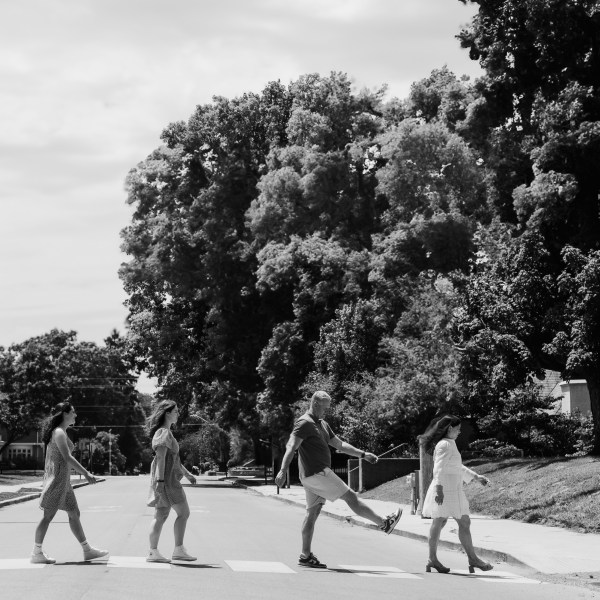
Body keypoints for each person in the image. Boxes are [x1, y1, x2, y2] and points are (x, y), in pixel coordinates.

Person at [275, 391, 403, 569]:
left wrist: (363, 454)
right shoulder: (304, 423)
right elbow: (291, 446)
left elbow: (340, 445)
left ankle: (305, 555)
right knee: (350, 496)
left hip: (313, 476)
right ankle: (384, 524)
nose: (326, 411)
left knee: (312, 514)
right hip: (317, 473)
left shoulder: (322, 424)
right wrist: (283, 470)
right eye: (325, 408)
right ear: (315, 404)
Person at [31, 402, 109, 564]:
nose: (75, 415)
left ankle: (87, 550)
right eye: (73, 412)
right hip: (57, 481)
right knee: (48, 516)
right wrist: (86, 473)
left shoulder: (62, 432)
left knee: (74, 513)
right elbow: (67, 457)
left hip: (64, 482)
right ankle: (36, 552)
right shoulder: (59, 432)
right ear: (64, 413)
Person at [419, 415, 492, 574]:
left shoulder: (449, 443)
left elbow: (456, 466)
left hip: (452, 489)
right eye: (458, 429)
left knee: (446, 522)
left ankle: (436, 559)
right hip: (445, 490)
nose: (459, 432)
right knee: (445, 522)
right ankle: (466, 559)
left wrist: (475, 476)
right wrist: (439, 490)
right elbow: (438, 468)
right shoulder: (445, 444)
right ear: (450, 428)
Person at [146, 400, 197, 563]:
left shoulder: (166, 432)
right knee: (183, 513)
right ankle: (177, 550)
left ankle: (155, 552)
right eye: (176, 411)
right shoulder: (163, 432)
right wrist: (160, 481)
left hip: (166, 480)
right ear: (167, 413)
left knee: (161, 515)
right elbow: (161, 457)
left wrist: (187, 474)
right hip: (168, 482)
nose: (178, 414)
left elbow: (173, 459)